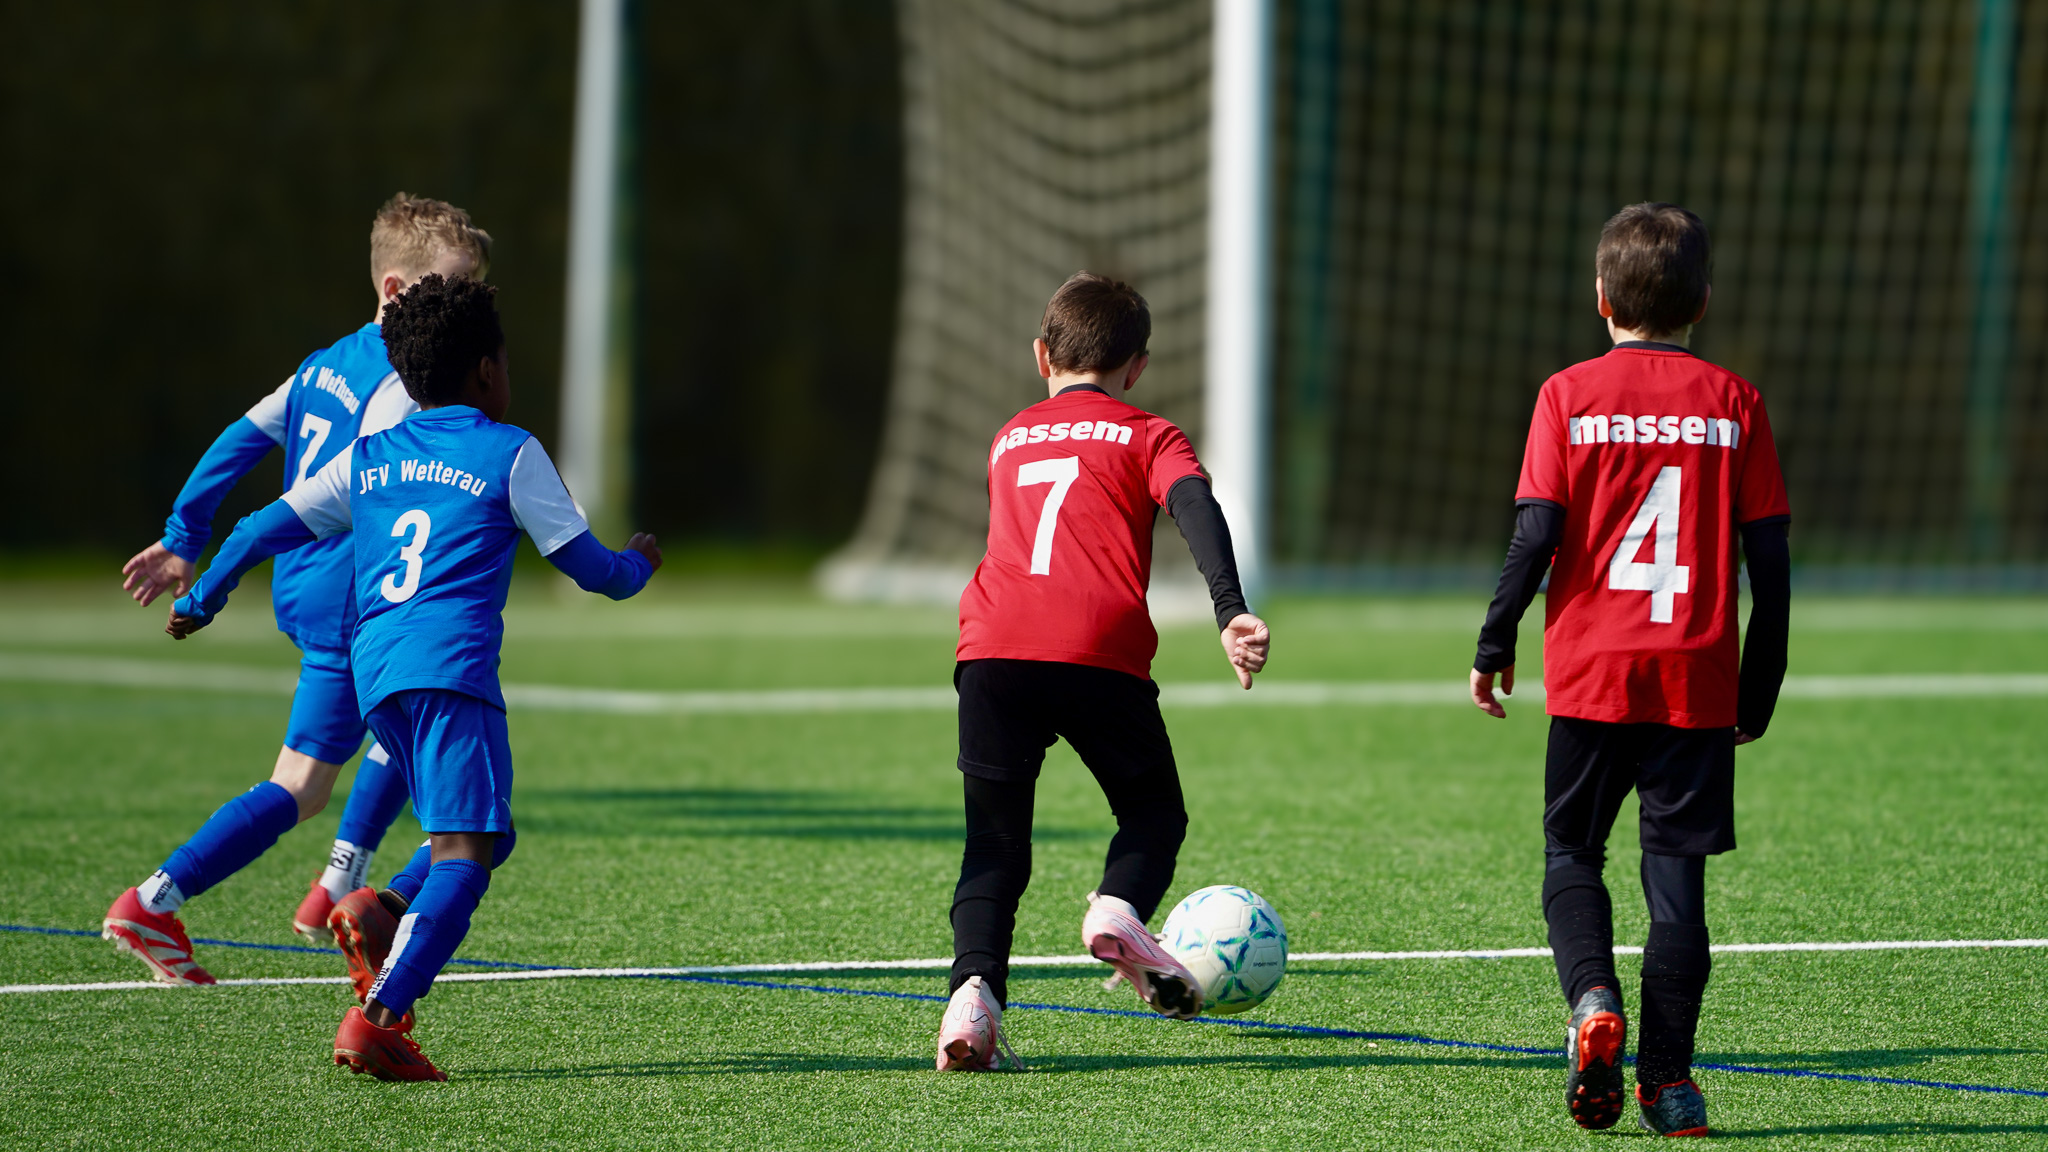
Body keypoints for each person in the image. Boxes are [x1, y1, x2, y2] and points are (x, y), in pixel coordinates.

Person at [162, 273, 661, 1081]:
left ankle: (379, 905)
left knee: (486, 831)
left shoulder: (369, 457)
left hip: (375, 676)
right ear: (487, 371)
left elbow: (258, 528)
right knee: (466, 856)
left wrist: (201, 598)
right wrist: (638, 563)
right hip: (451, 670)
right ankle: (380, 1019)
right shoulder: (510, 451)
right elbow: (594, 573)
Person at [105, 194, 493, 985]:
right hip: (361, 595)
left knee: (358, 753)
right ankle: (158, 900)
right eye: (452, 287)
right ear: (395, 290)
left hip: (309, 590)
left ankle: (333, 888)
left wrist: (185, 536)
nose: (465, 304)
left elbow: (237, 441)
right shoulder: (405, 384)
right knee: (338, 774)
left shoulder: (323, 364)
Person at [1468, 203, 1790, 1136]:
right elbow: (1770, 564)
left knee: (1573, 854)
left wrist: (1494, 643)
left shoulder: (1566, 395)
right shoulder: (1737, 403)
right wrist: (1759, 683)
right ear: (1705, 302)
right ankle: (1670, 1083)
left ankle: (1592, 999)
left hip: (1592, 674)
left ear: (1602, 297)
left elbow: (1535, 534)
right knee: (1677, 882)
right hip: (1695, 678)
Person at [936, 272, 1271, 1071]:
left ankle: (972, 999)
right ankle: (1117, 910)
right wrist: (1230, 609)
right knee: (1153, 813)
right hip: (1095, 647)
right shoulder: (1150, 433)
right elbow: (1195, 506)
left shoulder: (1009, 437)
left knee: (993, 846)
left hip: (991, 647)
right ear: (1138, 366)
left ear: (1041, 355)